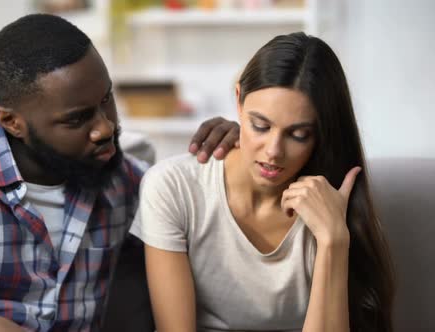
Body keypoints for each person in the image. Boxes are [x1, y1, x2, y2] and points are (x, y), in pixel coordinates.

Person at [0, 14, 240, 332]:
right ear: (12, 122)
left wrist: (242, 154)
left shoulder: (129, 182)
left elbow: (220, 246)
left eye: (106, 100)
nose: (105, 127)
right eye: (77, 119)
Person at [130, 32, 395, 332]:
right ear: (238, 101)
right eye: (260, 126)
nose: (273, 151)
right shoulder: (174, 188)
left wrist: (333, 239)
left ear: (322, 133)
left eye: (298, 134)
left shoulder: (327, 202)